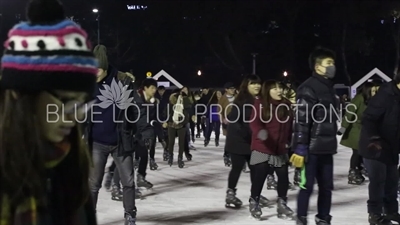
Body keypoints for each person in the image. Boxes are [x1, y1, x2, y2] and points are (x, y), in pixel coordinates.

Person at [0, 0, 97, 223]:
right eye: (65, 101)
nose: (76, 116)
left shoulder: (71, 166)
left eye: (81, 103)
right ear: (21, 95)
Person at [291, 47, 339, 225]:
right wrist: (301, 146)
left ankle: (323, 218)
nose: (332, 66)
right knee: (306, 187)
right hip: (310, 149)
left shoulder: (329, 88)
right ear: (318, 67)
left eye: (333, 63)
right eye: (329, 63)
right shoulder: (308, 88)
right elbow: (302, 120)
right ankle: (301, 218)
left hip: (327, 148)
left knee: (326, 188)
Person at [224, 75, 272, 209]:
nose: (257, 86)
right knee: (237, 167)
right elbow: (233, 119)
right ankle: (231, 193)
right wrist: (249, 132)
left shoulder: (260, 100)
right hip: (239, 141)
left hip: (253, 140)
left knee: (256, 169)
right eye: (253, 84)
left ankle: (255, 195)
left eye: (258, 84)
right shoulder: (242, 101)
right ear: (246, 86)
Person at [358, 73, 400, 225]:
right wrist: (374, 138)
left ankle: (391, 211)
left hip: (391, 146)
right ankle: (374, 214)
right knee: (378, 180)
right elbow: (368, 118)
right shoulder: (385, 95)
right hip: (374, 146)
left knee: (392, 181)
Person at [249, 80, 294, 220]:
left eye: (280, 87)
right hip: (262, 145)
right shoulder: (261, 103)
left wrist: (289, 142)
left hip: (279, 147)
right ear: (267, 90)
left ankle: (282, 202)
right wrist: (260, 131)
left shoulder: (286, 105)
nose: (278, 90)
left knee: (283, 175)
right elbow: (254, 121)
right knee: (261, 172)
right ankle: (254, 201)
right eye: (274, 88)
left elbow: (289, 126)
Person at [339, 82, 378, 185]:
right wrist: (343, 127)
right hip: (355, 130)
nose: (375, 93)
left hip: (364, 130)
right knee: (357, 151)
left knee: (362, 151)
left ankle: (360, 168)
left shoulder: (372, 100)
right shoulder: (359, 98)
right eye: (373, 91)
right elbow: (349, 112)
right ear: (367, 90)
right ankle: (353, 170)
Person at [165, 87, 193, 168]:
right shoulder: (172, 100)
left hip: (182, 123)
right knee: (171, 142)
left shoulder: (186, 101)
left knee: (182, 142)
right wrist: (166, 121)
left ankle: (180, 158)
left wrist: (183, 99)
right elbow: (167, 112)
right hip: (171, 123)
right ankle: (170, 156)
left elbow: (189, 108)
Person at [219, 82, 236, 167]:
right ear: (226, 90)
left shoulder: (237, 97)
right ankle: (227, 155)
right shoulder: (223, 99)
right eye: (231, 89)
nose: (233, 90)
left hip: (238, 122)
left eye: (233, 88)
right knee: (230, 140)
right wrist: (222, 120)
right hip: (228, 122)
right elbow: (220, 111)